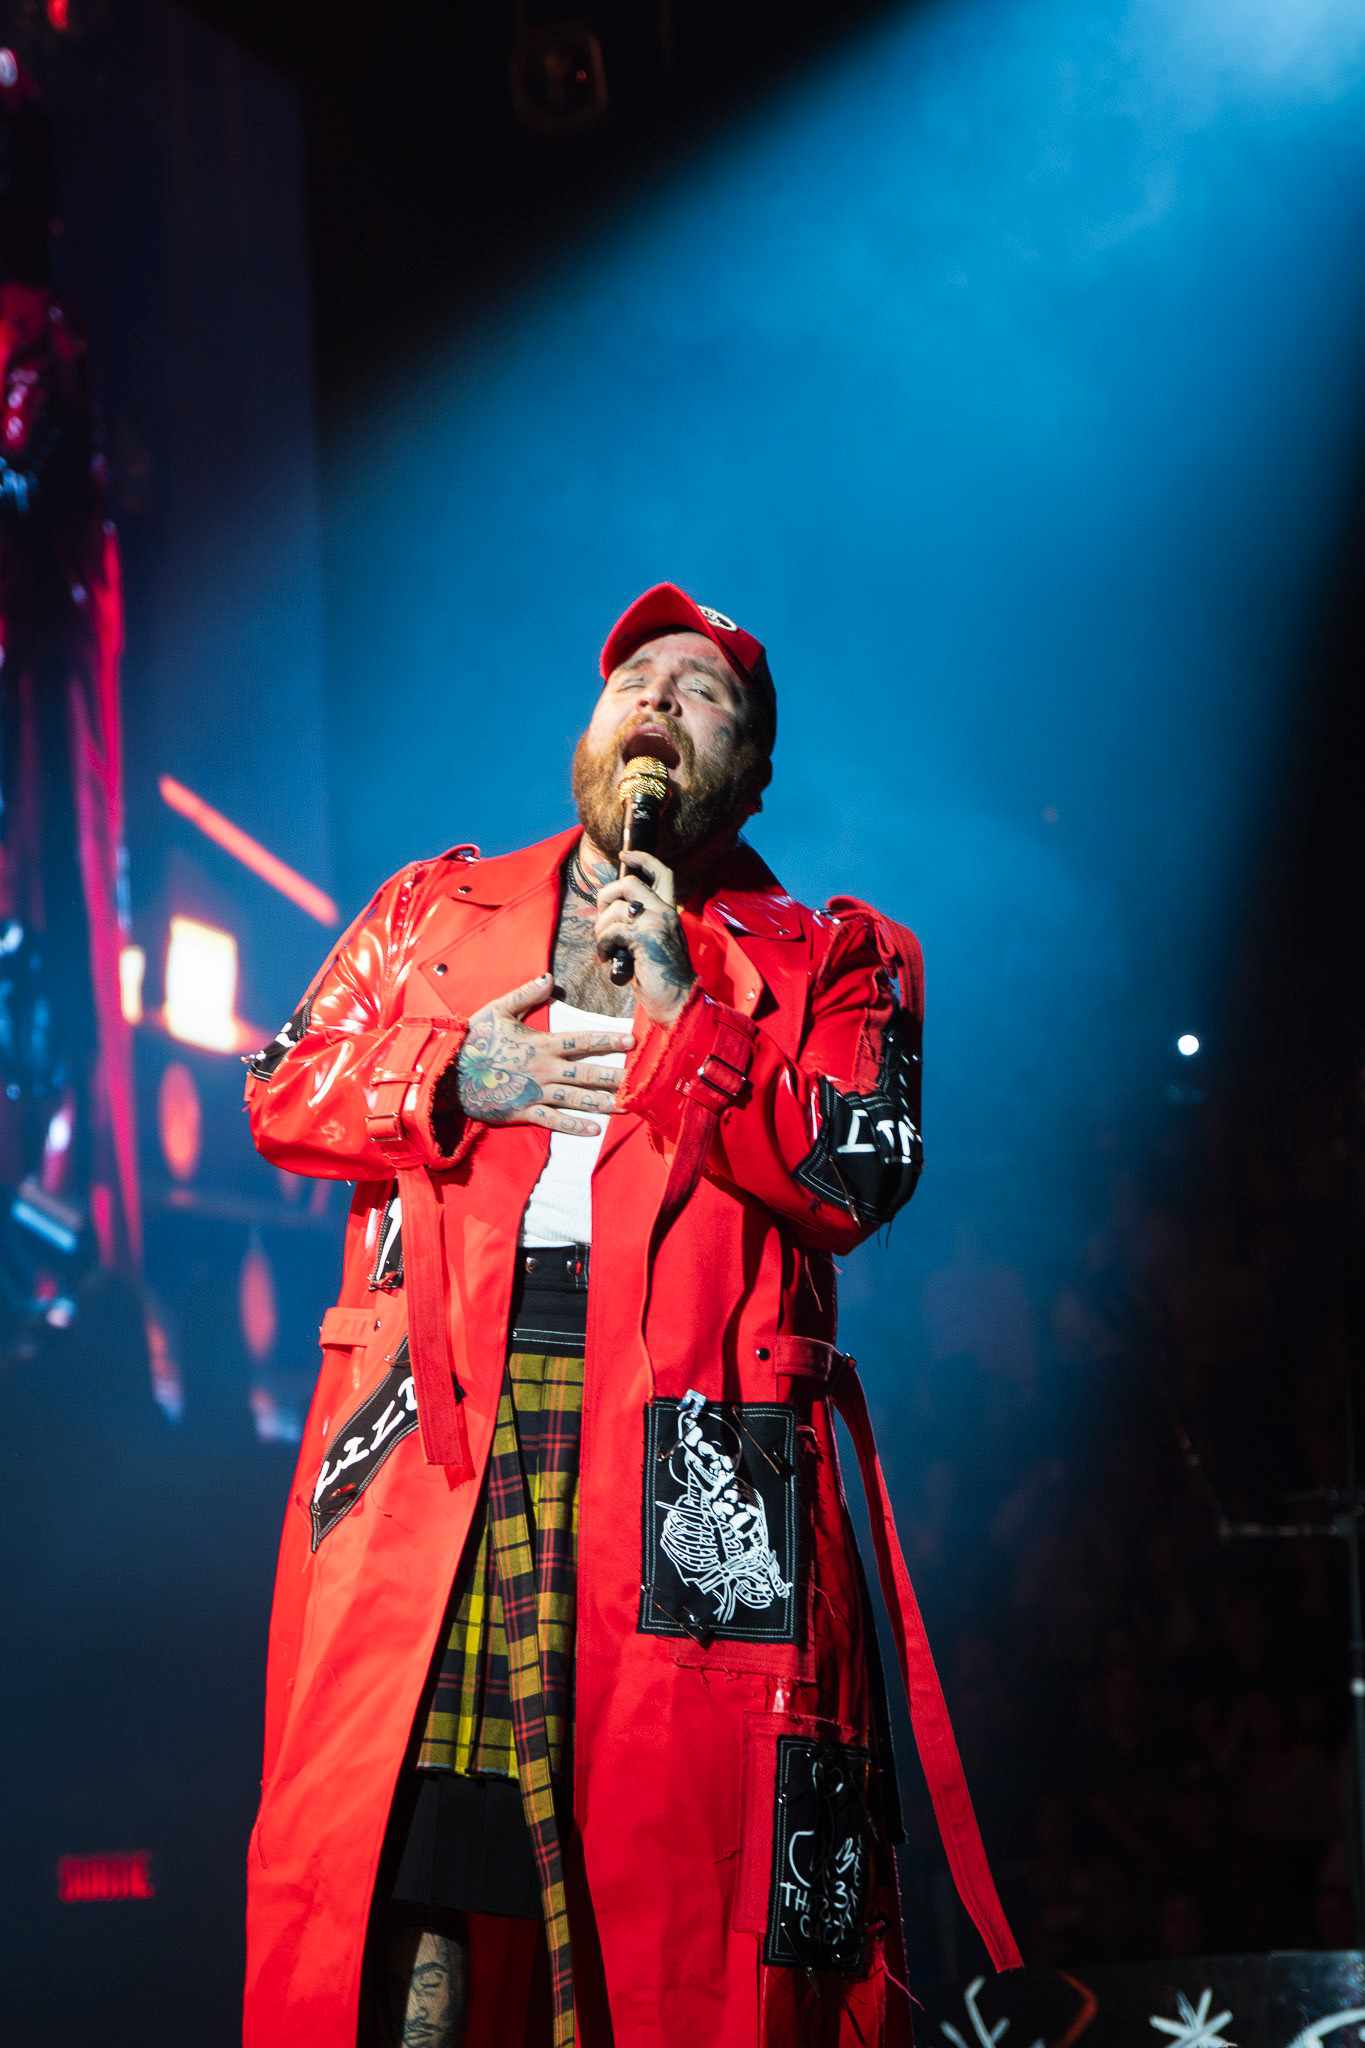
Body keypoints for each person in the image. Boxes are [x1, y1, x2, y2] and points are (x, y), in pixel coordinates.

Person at [242, 584, 1019, 2048]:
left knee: (685, 1897)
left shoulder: (834, 957)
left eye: (702, 690)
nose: (659, 699)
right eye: (634, 681)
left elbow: (861, 1173)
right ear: (589, 736)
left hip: (703, 1450)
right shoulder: (431, 909)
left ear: (755, 770)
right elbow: (284, 1086)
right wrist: (444, 1079)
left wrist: (689, 1023)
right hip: (442, 1432)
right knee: (403, 1862)